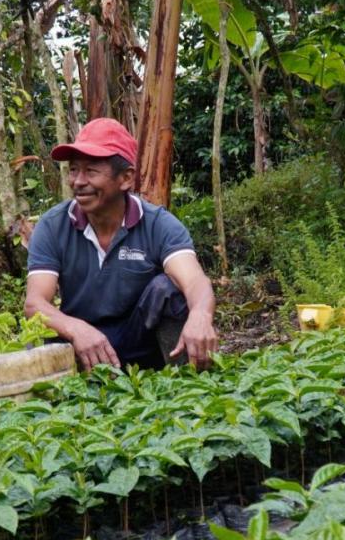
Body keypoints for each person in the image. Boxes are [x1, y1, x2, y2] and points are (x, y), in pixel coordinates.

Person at [24, 118, 219, 371]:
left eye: (91, 171)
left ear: (126, 178)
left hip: (142, 346)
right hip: (82, 348)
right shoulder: (53, 226)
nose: (78, 181)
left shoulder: (158, 224)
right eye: (74, 170)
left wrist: (201, 316)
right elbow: (35, 303)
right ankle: (60, 399)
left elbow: (194, 281)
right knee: (39, 327)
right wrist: (76, 329)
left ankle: (186, 384)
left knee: (167, 289)